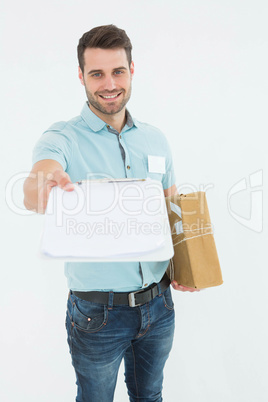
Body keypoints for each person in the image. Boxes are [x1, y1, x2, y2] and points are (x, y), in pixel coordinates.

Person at [23, 24, 199, 402]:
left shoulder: (156, 139)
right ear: (82, 77)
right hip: (97, 313)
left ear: (132, 70)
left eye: (117, 71)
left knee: (149, 396)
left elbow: (172, 211)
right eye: (96, 73)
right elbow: (36, 186)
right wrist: (43, 184)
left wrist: (184, 268)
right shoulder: (62, 138)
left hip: (159, 304)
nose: (109, 84)